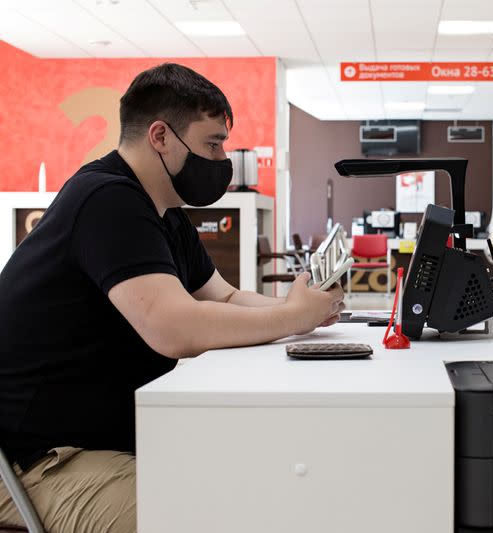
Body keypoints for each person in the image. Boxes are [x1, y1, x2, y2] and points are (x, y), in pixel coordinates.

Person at [0, 63, 344, 533]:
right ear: (160, 136)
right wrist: (290, 317)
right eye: (212, 143)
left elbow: (224, 298)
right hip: (38, 461)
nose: (221, 159)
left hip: (95, 442)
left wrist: (309, 314)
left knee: (261, 474)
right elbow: (173, 328)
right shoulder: (106, 199)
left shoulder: (164, 211)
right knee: (214, 514)